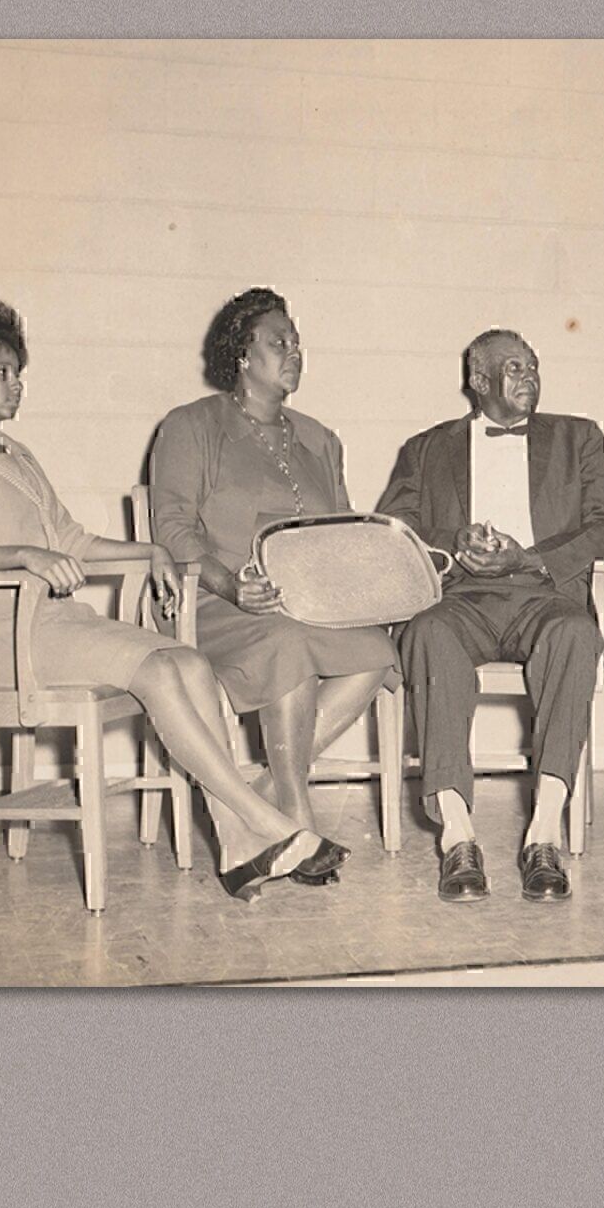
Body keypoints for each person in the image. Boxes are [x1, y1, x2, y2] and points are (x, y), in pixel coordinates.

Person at [0, 293, 326, 901]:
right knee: (157, 668)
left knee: (188, 660)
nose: (17, 384)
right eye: (2, 373)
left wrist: (148, 551)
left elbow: (71, 537)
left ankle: (236, 846)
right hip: (2, 639)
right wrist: (24, 556)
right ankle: (261, 824)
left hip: (57, 626)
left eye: (18, 372)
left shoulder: (20, 459)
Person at [148, 288, 400, 882]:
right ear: (241, 353)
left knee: (376, 650)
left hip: (304, 606)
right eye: (278, 342)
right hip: (208, 602)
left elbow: (341, 532)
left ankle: (260, 797)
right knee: (287, 643)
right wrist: (230, 585)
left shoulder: (319, 438)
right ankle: (298, 813)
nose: (294, 353)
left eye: (297, 343)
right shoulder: (191, 426)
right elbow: (172, 526)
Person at [376, 330, 604, 903]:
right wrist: (451, 539)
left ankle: (544, 832)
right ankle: (457, 838)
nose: (530, 377)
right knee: (427, 633)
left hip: (545, 592)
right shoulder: (426, 448)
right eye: (514, 368)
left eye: (534, 366)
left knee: (576, 633)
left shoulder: (578, 437)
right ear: (478, 381)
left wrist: (531, 558)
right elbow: (394, 532)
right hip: (459, 597)